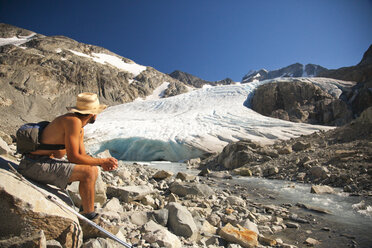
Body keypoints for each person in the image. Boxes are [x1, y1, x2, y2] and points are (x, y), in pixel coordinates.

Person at [18, 92, 118, 219]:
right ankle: (89, 216)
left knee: (92, 170)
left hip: (37, 162)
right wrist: (102, 161)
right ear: (93, 114)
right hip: (32, 165)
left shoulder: (78, 126)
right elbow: (73, 157)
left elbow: (81, 156)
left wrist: (101, 162)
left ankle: (86, 209)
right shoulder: (73, 122)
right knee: (89, 172)